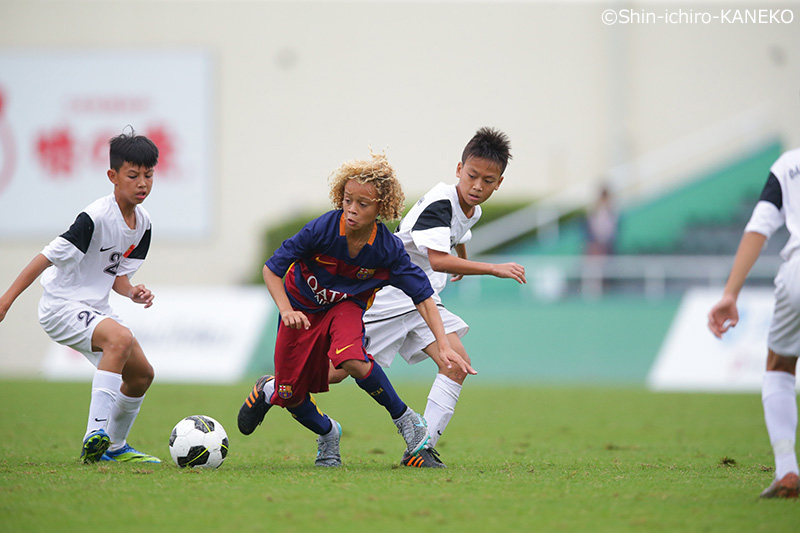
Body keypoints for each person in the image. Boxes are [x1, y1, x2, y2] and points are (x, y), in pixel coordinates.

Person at [241, 128, 524, 468]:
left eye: (487, 180)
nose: (478, 186)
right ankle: (274, 389)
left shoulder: (469, 210)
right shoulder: (438, 203)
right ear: (459, 169)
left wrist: (460, 250)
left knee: (453, 364)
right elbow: (436, 259)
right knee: (333, 372)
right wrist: (492, 268)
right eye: (473, 176)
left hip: (418, 299)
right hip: (389, 297)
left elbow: (456, 234)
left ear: (499, 183)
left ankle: (419, 450)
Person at [0, 129, 161, 464]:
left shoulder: (143, 224)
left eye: (148, 175)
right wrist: (6, 300)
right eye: (133, 175)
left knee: (142, 375)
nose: (142, 183)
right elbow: (45, 258)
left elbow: (116, 275)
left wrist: (132, 291)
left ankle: (115, 446)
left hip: (94, 307)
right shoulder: (95, 217)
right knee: (120, 339)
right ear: (113, 176)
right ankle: (95, 436)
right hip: (61, 305)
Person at [708, 147, 800, 499]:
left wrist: (731, 293)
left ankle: (787, 468)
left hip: (796, 272)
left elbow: (759, 226)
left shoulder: (789, 164)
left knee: (779, 365)